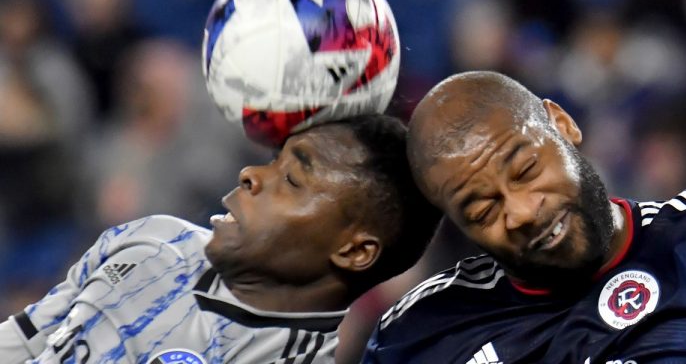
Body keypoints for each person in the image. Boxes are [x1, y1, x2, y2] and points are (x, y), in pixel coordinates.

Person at [364, 71, 686, 363]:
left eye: (526, 171)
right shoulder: (422, 333)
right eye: (483, 210)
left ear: (563, 125)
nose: (522, 212)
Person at [0, 114, 440, 363]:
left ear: (354, 250)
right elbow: (20, 343)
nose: (251, 175)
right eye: (273, 160)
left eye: (291, 178)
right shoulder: (154, 240)